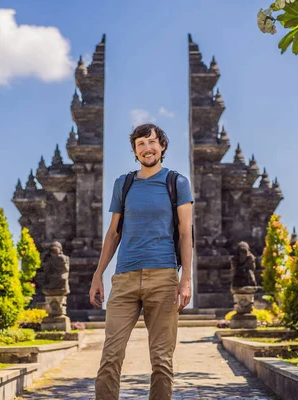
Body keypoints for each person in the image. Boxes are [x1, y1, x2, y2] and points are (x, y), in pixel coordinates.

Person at [90, 123, 194, 400]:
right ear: (135, 152)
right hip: (124, 278)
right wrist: (98, 274)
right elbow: (113, 233)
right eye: (140, 144)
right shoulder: (124, 184)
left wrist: (186, 280)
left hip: (163, 278)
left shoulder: (177, 183)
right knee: (110, 355)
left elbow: (185, 233)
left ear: (162, 146)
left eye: (152, 142)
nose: (147, 148)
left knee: (161, 360)